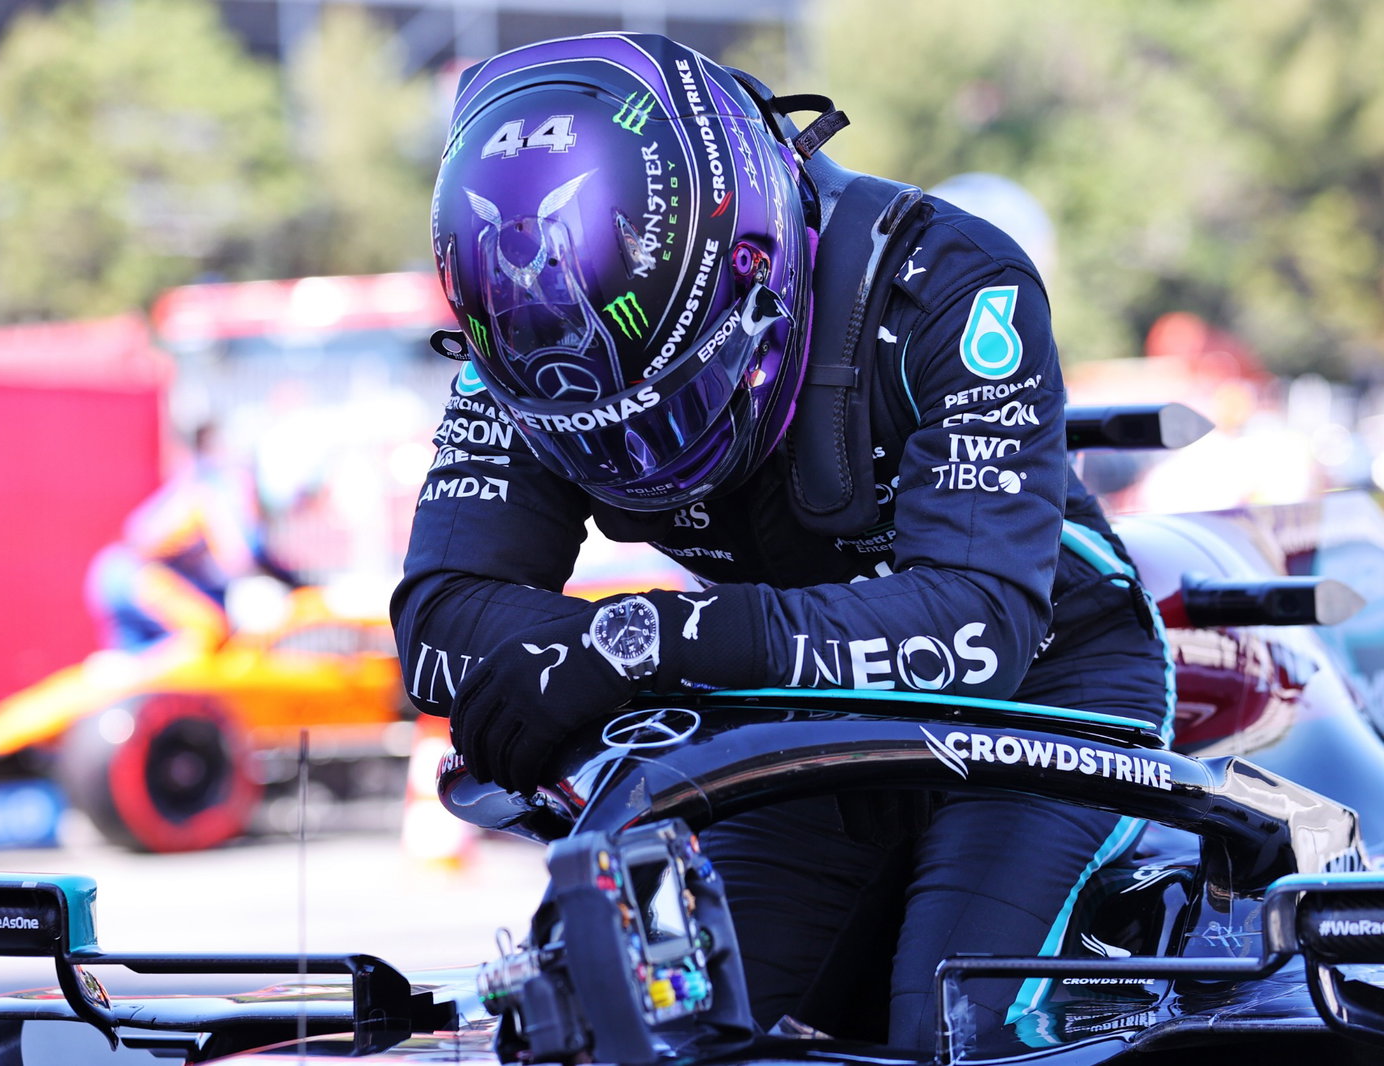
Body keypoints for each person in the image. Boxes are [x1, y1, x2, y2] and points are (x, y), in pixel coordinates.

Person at [391, 32, 1172, 1052]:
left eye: (670, 406)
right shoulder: (536, 340)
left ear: (759, 269)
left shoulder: (951, 284)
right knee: (666, 1031)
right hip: (792, 707)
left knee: (961, 1018)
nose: (636, 451)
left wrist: (637, 641)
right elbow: (441, 618)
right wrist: (592, 650)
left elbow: (977, 620)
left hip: (1043, 685)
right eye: (597, 437)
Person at [85, 423, 320, 652]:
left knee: (203, 637)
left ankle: (129, 671)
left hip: (150, 576)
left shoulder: (239, 499)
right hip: (132, 574)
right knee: (210, 630)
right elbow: (235, 558)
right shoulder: (221, 490)